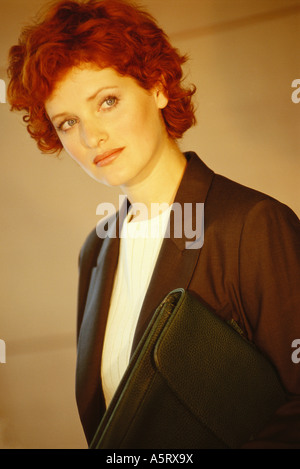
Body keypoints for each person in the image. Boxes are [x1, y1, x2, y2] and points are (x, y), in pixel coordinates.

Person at [7, 0, 300, 448]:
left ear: (159, 86)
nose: (91, 137)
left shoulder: (253, 225)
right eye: (68, 123)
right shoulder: (97, 250)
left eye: (107, 101)